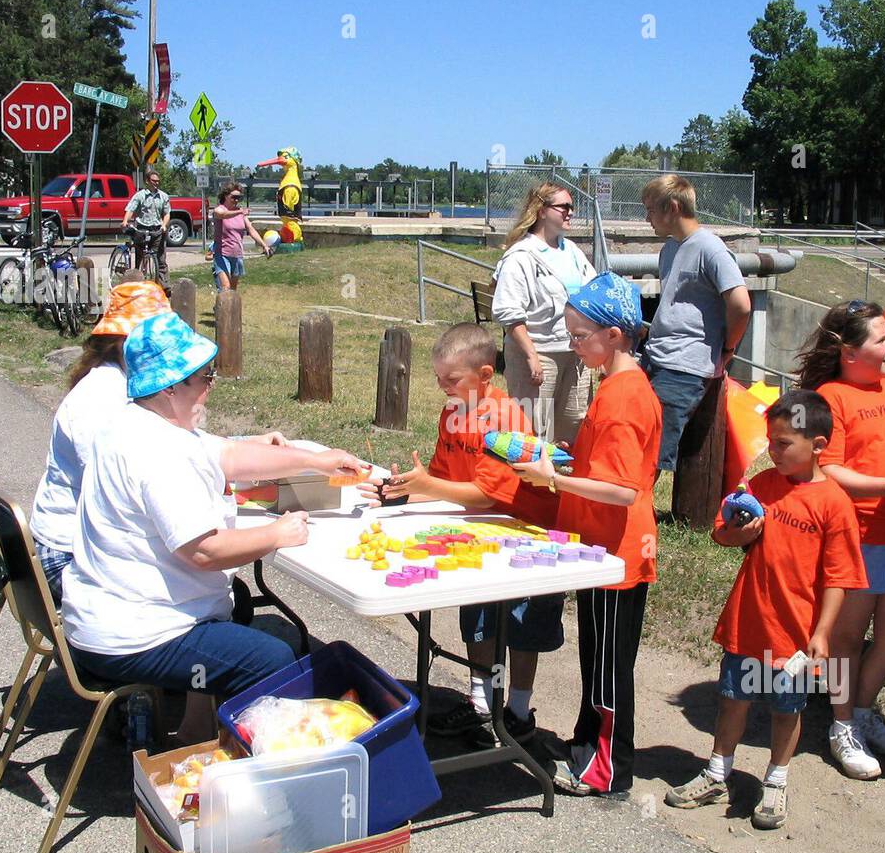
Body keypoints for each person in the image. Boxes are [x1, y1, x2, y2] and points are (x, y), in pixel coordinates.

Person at [61, 312, 365, 728]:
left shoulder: (136, 421)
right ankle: (253, 769)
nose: (210, 386)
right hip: (133, 635)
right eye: (203, 378)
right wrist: (277, 532)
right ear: (170, 387)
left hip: (103, 615)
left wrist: (315, 460)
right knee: (274, 657)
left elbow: (231, 456)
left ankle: (195, 733)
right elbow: (204, 551)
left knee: (235, 605)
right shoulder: (159, 451)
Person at [664, 390, 866, 829]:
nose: (772, 451)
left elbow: (839, 578)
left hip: (795, 634)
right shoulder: (761, 487)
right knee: (733, 699)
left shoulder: (834, 503)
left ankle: (776, 781)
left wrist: (822, 633)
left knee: (786, 709)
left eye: (783, 443)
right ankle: (717, 771)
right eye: (770, 441)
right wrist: (742, 532)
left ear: (818, 444)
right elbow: (722, 536)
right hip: (749, 621)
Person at [360, 323, 562, 745]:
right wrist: (398, 495)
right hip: (481, 531)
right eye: (437, 378)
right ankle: (481, 706)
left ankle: (519, 713)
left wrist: (425, 487)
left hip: (526, 533)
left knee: (522, 627)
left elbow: (486, 495)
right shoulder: (453, 413)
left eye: (451, 380)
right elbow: (441, 478)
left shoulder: (506, 417)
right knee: (478, 619)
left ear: (485, 376)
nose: (442, 387)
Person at [514, 272, 661, 797]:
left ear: (615, 335)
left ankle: (608, 769)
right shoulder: (616, 385)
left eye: (580, 337)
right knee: (596, 655)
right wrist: (558, 461)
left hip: (617, 551)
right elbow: (603, 467)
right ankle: (586, 744)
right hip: (603, 547)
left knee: (607, 665)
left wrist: (553, 478)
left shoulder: (624, 397)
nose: (574, 347)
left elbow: (622, 490)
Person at [798, 300, 885, 780]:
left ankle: (862, 708)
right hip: (856, 538)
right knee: (846, 639)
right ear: (851, 353)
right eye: (881, 339)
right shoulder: (832, 397)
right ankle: (841, 724)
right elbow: (828, 467)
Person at [30, 275, 171, 604]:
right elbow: (118, 483)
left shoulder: (125, 383)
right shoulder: (101, 397)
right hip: (65, 555)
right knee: (189, 582)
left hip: (80, 542)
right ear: (124, 342)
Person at [640, 173, 751, 472]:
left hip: (684, 366)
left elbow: (740, 305)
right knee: (638, 436)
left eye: (651, 210)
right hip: (656, 356)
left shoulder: (710, 249)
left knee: (653, 449)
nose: (647, 218)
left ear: (672, 207)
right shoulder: (671, 248)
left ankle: (637, 511)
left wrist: (727, 347)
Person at [491, 183, 597, 445]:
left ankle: (563, 483)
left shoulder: (571, 251)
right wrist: (531, 356)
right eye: (564, 207)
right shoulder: (520, 256)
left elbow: (592, 293)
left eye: (572, 207)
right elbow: (509, 313)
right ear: (541, 211)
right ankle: (530, 486)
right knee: (534, 432)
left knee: (575, 427)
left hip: (576, 355)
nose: (570, 212)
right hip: (538, 356)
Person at [211, 180, 271, 292]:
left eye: (239, 198)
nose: (237, 200)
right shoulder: (220, 209)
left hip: (237, 255)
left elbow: (251, 229)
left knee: (233, 290)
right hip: (222, 254)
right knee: (225, 287)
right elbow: (221, 215)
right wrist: (239, 212)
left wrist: (264, 245)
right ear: (226, 196)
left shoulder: (240, 212)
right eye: (234, 197)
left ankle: (223, 308)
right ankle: (222, 309)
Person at [121, 169, 171, 288]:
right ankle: (137, 283)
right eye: (153, 181)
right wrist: (125, 221)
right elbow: (131, 209)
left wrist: (164, 225)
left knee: (160, 259)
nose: (156, 183)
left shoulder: (163, 196)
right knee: (141, 256)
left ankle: (164, 287)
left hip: (157, 230)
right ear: (147, 181)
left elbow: (167, 213)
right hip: (142, 229)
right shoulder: (140, 195)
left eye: (158, 181)